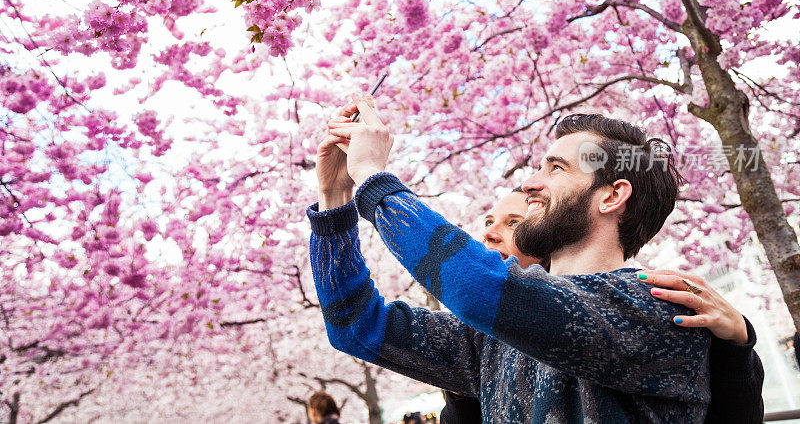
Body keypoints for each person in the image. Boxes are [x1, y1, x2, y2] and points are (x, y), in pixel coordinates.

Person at [309, 100, 712, 421]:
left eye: (556, 168)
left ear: (611, 196)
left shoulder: (657, 310)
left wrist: (372, 175)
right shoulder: (492, 341)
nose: (530, 182)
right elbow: (355, 326)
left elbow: (477, 288)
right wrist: (334, 202)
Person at [440, 189, 764, 424]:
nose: (489, 233)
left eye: (514, 222)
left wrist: (736, 342)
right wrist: (458, 377)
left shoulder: (636, 314)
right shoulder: (483, 336)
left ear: (550, 239)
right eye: (488, 220)